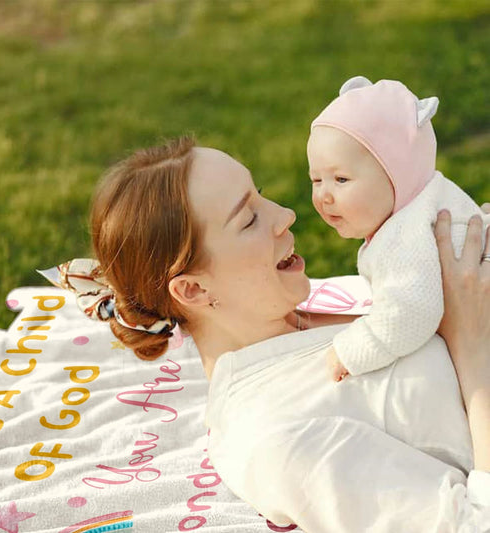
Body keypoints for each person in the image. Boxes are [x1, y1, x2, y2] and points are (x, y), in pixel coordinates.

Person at [43, 137, 490, 532]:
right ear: (194, 290)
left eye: (261, 195)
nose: (286, 215)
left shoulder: (300, 318)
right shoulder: (280, 438)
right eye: (248, 219)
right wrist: (472, 345)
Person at [307, 76, 490, 382]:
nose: (324, 195)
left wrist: (352, 350)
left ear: (399, 174)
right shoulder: (429, 199)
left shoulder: (408, 234)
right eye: (316, 179)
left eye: (341, 179)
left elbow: (411, 311)